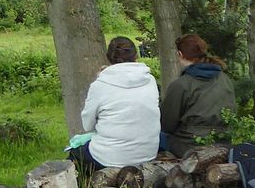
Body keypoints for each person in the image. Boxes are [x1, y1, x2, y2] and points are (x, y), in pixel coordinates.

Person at [72, 37, 160, 173]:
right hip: (148, 153)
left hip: (110, 157)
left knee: (75, 153)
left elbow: (87, 125)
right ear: (135, 55)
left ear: (109, 58)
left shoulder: (100, 84)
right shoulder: (150, 80)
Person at [160, 34, 237, 157]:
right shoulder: (224, 79)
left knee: (155, 136)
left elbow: (167, 124)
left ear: (179, 54)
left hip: (190, 145)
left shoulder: (181, 85)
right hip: (223, 142)